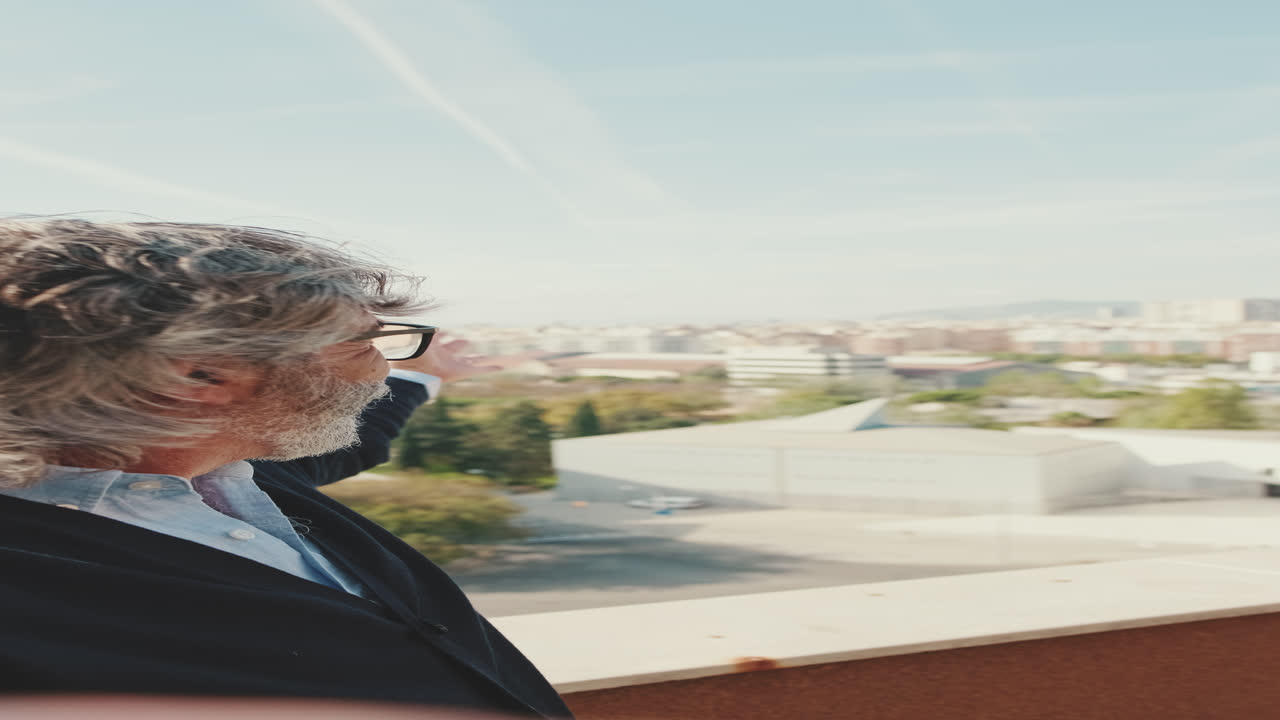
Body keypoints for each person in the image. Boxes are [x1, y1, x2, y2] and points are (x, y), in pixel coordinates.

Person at [0, 219, 572, 719]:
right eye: (362, 343)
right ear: (198, 377)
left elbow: (356, 437)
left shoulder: (233, 470)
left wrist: (427, 376)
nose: (378, 373)